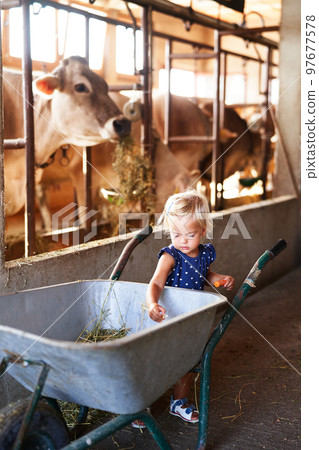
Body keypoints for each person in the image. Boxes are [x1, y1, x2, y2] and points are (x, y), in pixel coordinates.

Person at [147, 189, 234, 424]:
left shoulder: (205, 254)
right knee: (159, 359)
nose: (182, 241)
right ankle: (142, 404)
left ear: (203, 232)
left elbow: (205, 275)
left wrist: (219, 279)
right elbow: (155, 282)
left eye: (190, 234)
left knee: (187, 359)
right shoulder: (170, 256)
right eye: (176, 234)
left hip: (192, 317)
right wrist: (152, 303)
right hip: (170, 317)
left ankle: (178, 402)